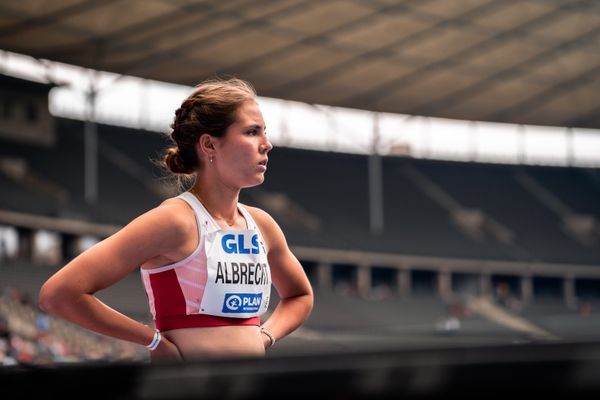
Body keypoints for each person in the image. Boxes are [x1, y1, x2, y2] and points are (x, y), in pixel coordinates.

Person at [39, 77, 314, 361]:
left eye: (264, 132)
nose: (267, 144)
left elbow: (300, 296)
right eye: (252, 132)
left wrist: (266, 336)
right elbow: (59, 294)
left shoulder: (263, 226)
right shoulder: (175, 221)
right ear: (209, 144)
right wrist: (154, 341)